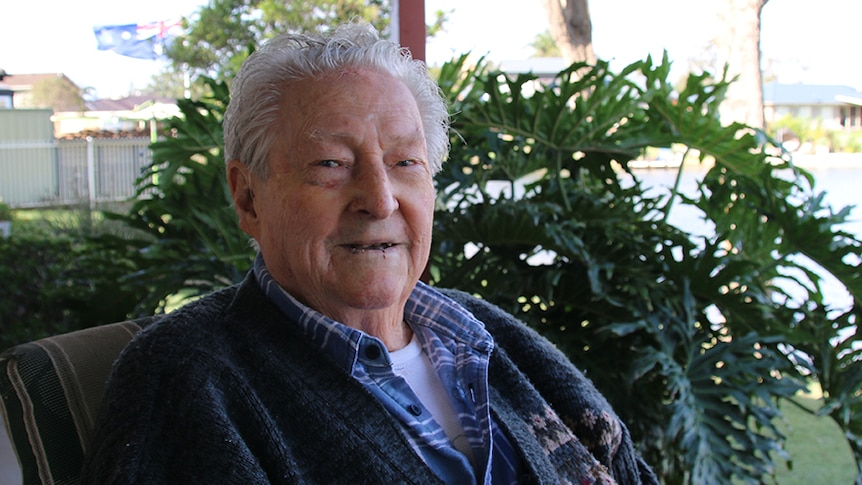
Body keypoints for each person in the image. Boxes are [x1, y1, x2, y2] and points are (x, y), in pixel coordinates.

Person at [81, 22, 657, 485]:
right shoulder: (190, 378)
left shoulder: (483, 334)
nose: (379, 198)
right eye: (330, 164)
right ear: (248, 196)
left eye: (405, 162)